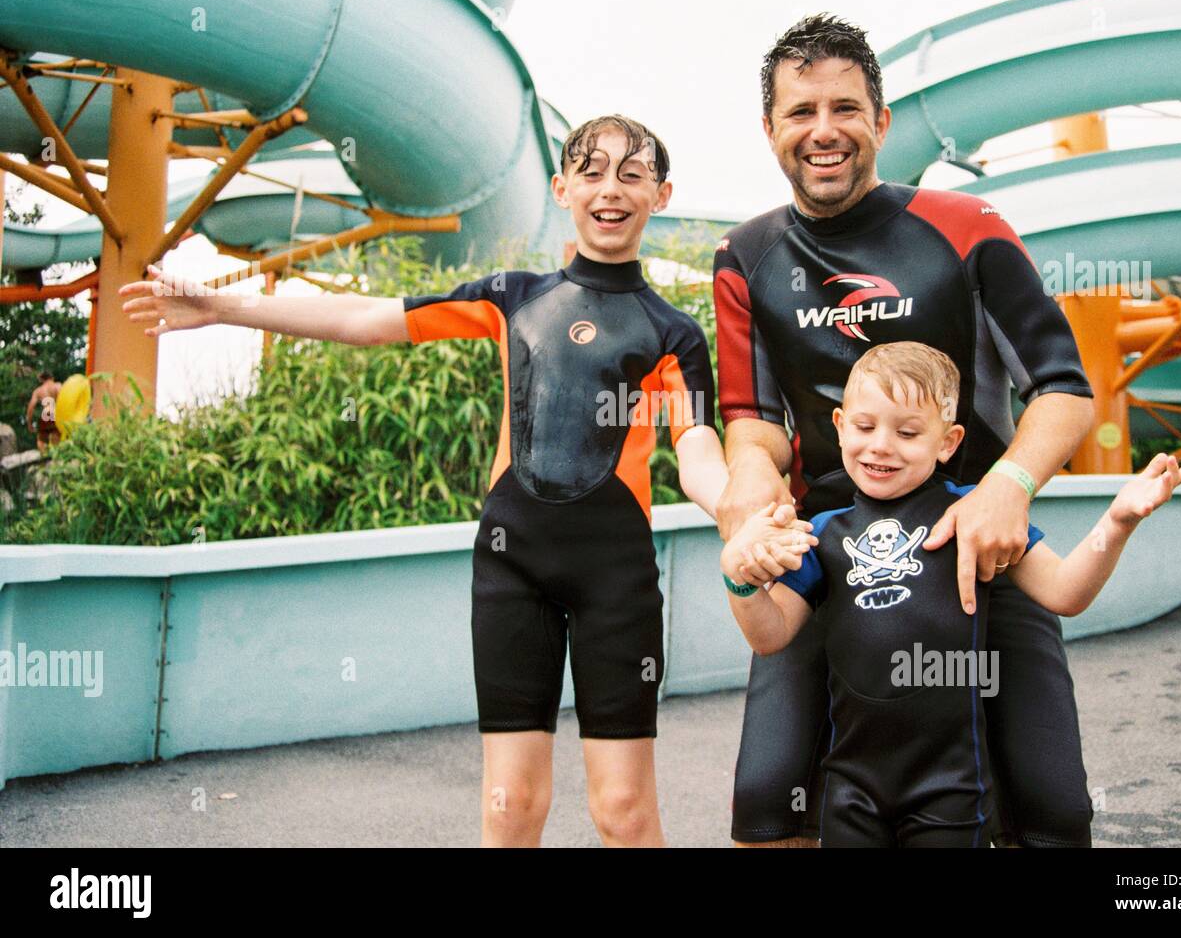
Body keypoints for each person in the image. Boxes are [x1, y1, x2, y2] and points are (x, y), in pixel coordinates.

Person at [121, 115, 805, 848]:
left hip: (617, 577)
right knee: (511, 807)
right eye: (594, 170)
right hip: (513, 566)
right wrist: (224, 305)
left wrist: (738, 510)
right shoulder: (512, 297)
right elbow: (362, 317)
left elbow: (698, 449)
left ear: (661, 194)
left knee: (624, 812)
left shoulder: (673, 331)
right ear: (562, 187)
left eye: (632, 174)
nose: (611, 188)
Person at [713, 14, 1101, 847]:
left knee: (1053, 806)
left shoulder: (968, 226)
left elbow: (1066, 391)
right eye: (801, 111)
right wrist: (748, 482)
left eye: (847, 109)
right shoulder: (744, 255)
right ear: (771, 129)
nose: (825, 131)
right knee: (765, 796)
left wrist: (1009, 484)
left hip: (977, 548)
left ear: (881, 122)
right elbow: (752, 421)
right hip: (829, 557)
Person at [722, 342, 1181, 846]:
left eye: (907, 432)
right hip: (852, 784)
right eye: (864, 427)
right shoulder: (821, 533)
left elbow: (1066, 593)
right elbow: (769, 635)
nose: (881, 445)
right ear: (839, 426)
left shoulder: (976, 516)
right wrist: (740, 577)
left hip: (949, 786)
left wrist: (1118, 521)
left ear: (947, 442)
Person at [26, 371, 62, 453]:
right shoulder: (58, 385)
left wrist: (29, 423)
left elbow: (31, 407)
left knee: (41, 440)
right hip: (57, 415)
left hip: (46, 415)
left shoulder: (38, 391)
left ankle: (44, 456)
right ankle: (55, 457)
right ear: (52, 378)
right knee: (56, 438)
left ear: (42, 380)